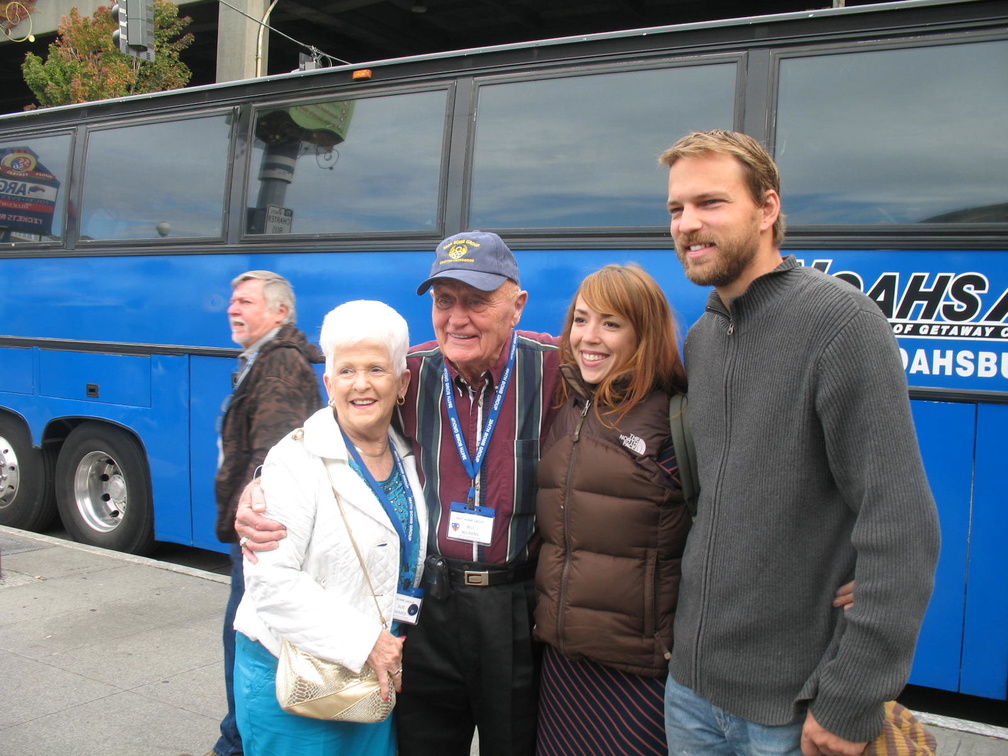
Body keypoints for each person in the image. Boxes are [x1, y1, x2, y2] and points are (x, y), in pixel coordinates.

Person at [659, 130, 940, 756]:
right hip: (692, 695)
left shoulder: (839, 322)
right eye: (676, 208)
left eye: (710, 203)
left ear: (767, 208)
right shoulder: (704, 338)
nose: (687, 223)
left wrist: (850, 699)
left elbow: (903, 527)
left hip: (792, 708)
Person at [236, 231, 561, 756]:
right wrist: (258, 483)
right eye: (443, 301)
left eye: (476, 301)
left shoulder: (555, 370)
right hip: (429, 608)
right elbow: (335, 416)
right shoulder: (411, 371)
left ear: (516, 305)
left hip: (511, 607)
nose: (457, 318)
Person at [232, 300, 428, 755]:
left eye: (377, 369)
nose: (361, 384)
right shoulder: (294, 461)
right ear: (328, 382)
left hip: (372, 680)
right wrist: (367, 644)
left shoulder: (409, 458)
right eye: (346, 371)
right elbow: (271, 583)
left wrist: (378, 649)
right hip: (294, 677)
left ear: (402, 384)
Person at [534, 264, 691, 756]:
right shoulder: (570, 411)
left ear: (643, 333)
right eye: (581, 320)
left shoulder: (675, 421)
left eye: (611, 323)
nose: (589, 337)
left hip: (637, 675)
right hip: (563, 665)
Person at [208, 270, 323, 756]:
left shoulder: (278, 365)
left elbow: (273, 454)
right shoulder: (268, 360)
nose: (234, 309)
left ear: (279, 312)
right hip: (261, 533)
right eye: (233, 300)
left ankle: (236, 744)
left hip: (261, 536)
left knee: (249, 641)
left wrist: (253, 505)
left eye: (246, 302)